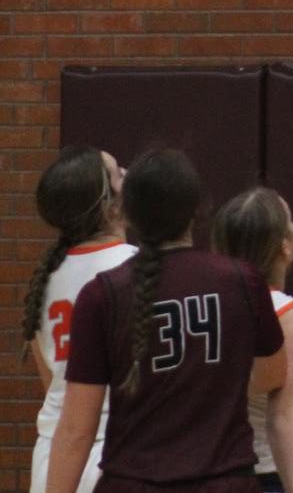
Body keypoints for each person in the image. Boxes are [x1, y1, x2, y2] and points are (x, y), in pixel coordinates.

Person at [44, 148, 286, 493]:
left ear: (127, 211)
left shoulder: (101, 295)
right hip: (225, 482)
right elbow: (273, 374)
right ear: (198, 210)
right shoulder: (242, 280)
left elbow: (76, 429)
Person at [23, 146, 134, 493]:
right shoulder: (139, 269)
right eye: (117, 172)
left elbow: (52, 381)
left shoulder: (44, 279)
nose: (127, 174)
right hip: (117, 456)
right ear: (107, 203)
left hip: (53, 456)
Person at [212, 187, 293, 493]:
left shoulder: (201, 305)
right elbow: (283, 417)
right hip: (260, 475)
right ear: (286, 246)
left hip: (195, 474)